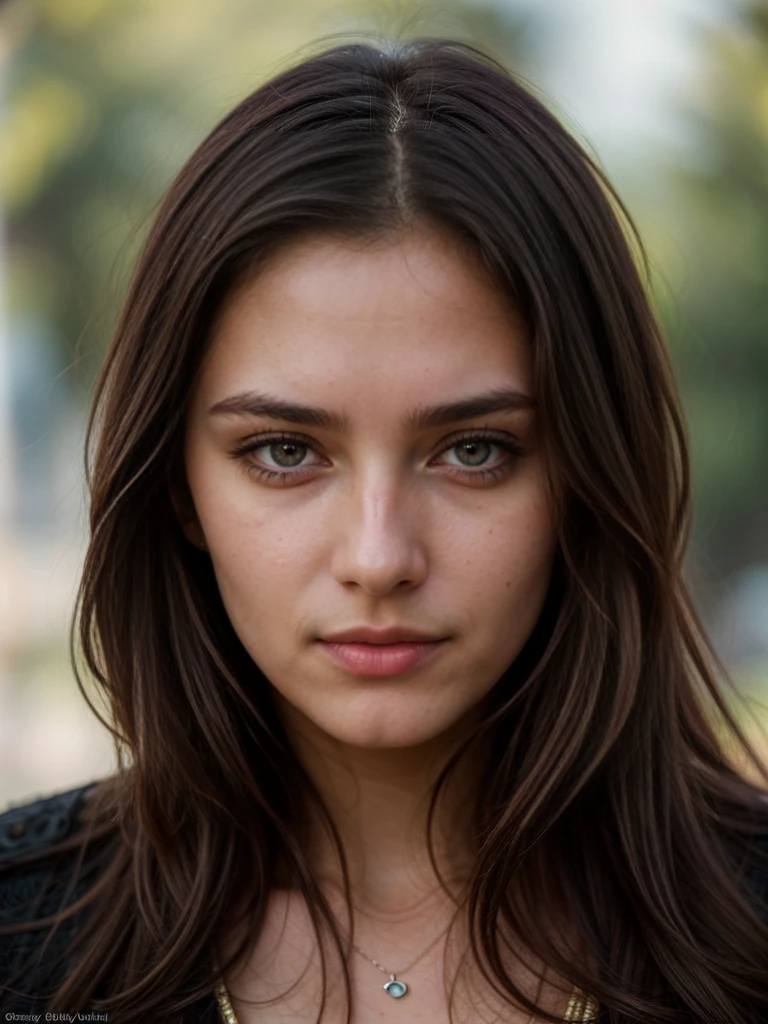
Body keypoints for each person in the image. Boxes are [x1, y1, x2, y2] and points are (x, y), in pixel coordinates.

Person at [1, 34, 767, 1024]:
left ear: (587, 471)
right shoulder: (20, 942)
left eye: (476, 450)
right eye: (284, 451)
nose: (378, 557)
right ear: (178, 488)